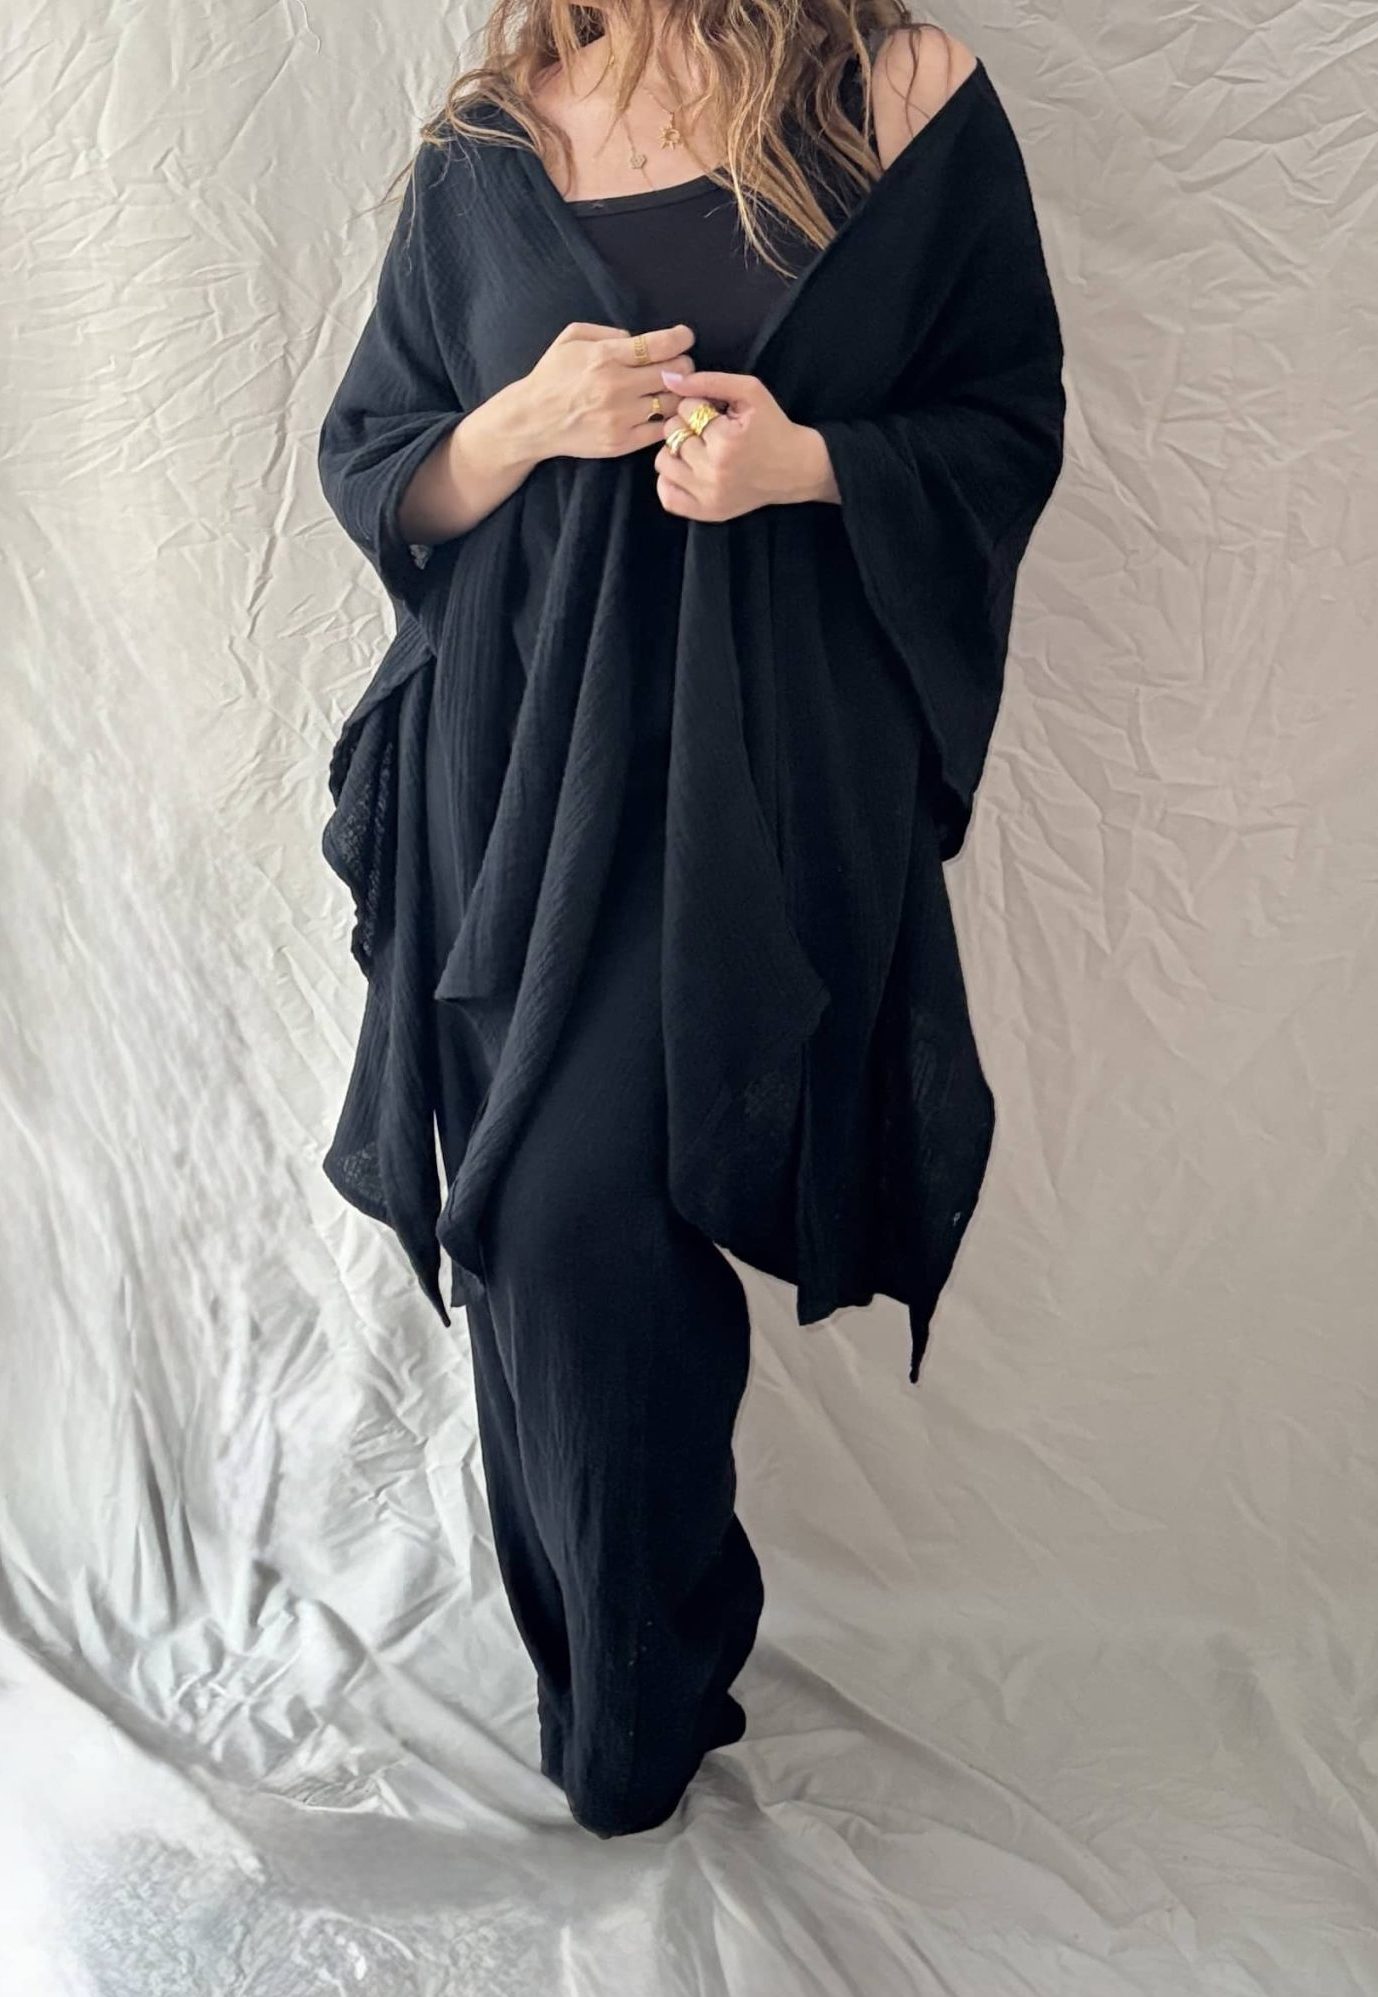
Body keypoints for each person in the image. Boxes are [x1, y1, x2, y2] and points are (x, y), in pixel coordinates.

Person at [317, 1, 1066, 1839]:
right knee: (537, 1226)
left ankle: (637, 1682)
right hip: (514, 777)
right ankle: (633, 1675)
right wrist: (528, 420)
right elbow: (379, 459)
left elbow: (1005, 423)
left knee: (568, 1208)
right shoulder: (496, 135)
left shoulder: (899, 95)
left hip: (758, 781)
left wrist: (801, 462)